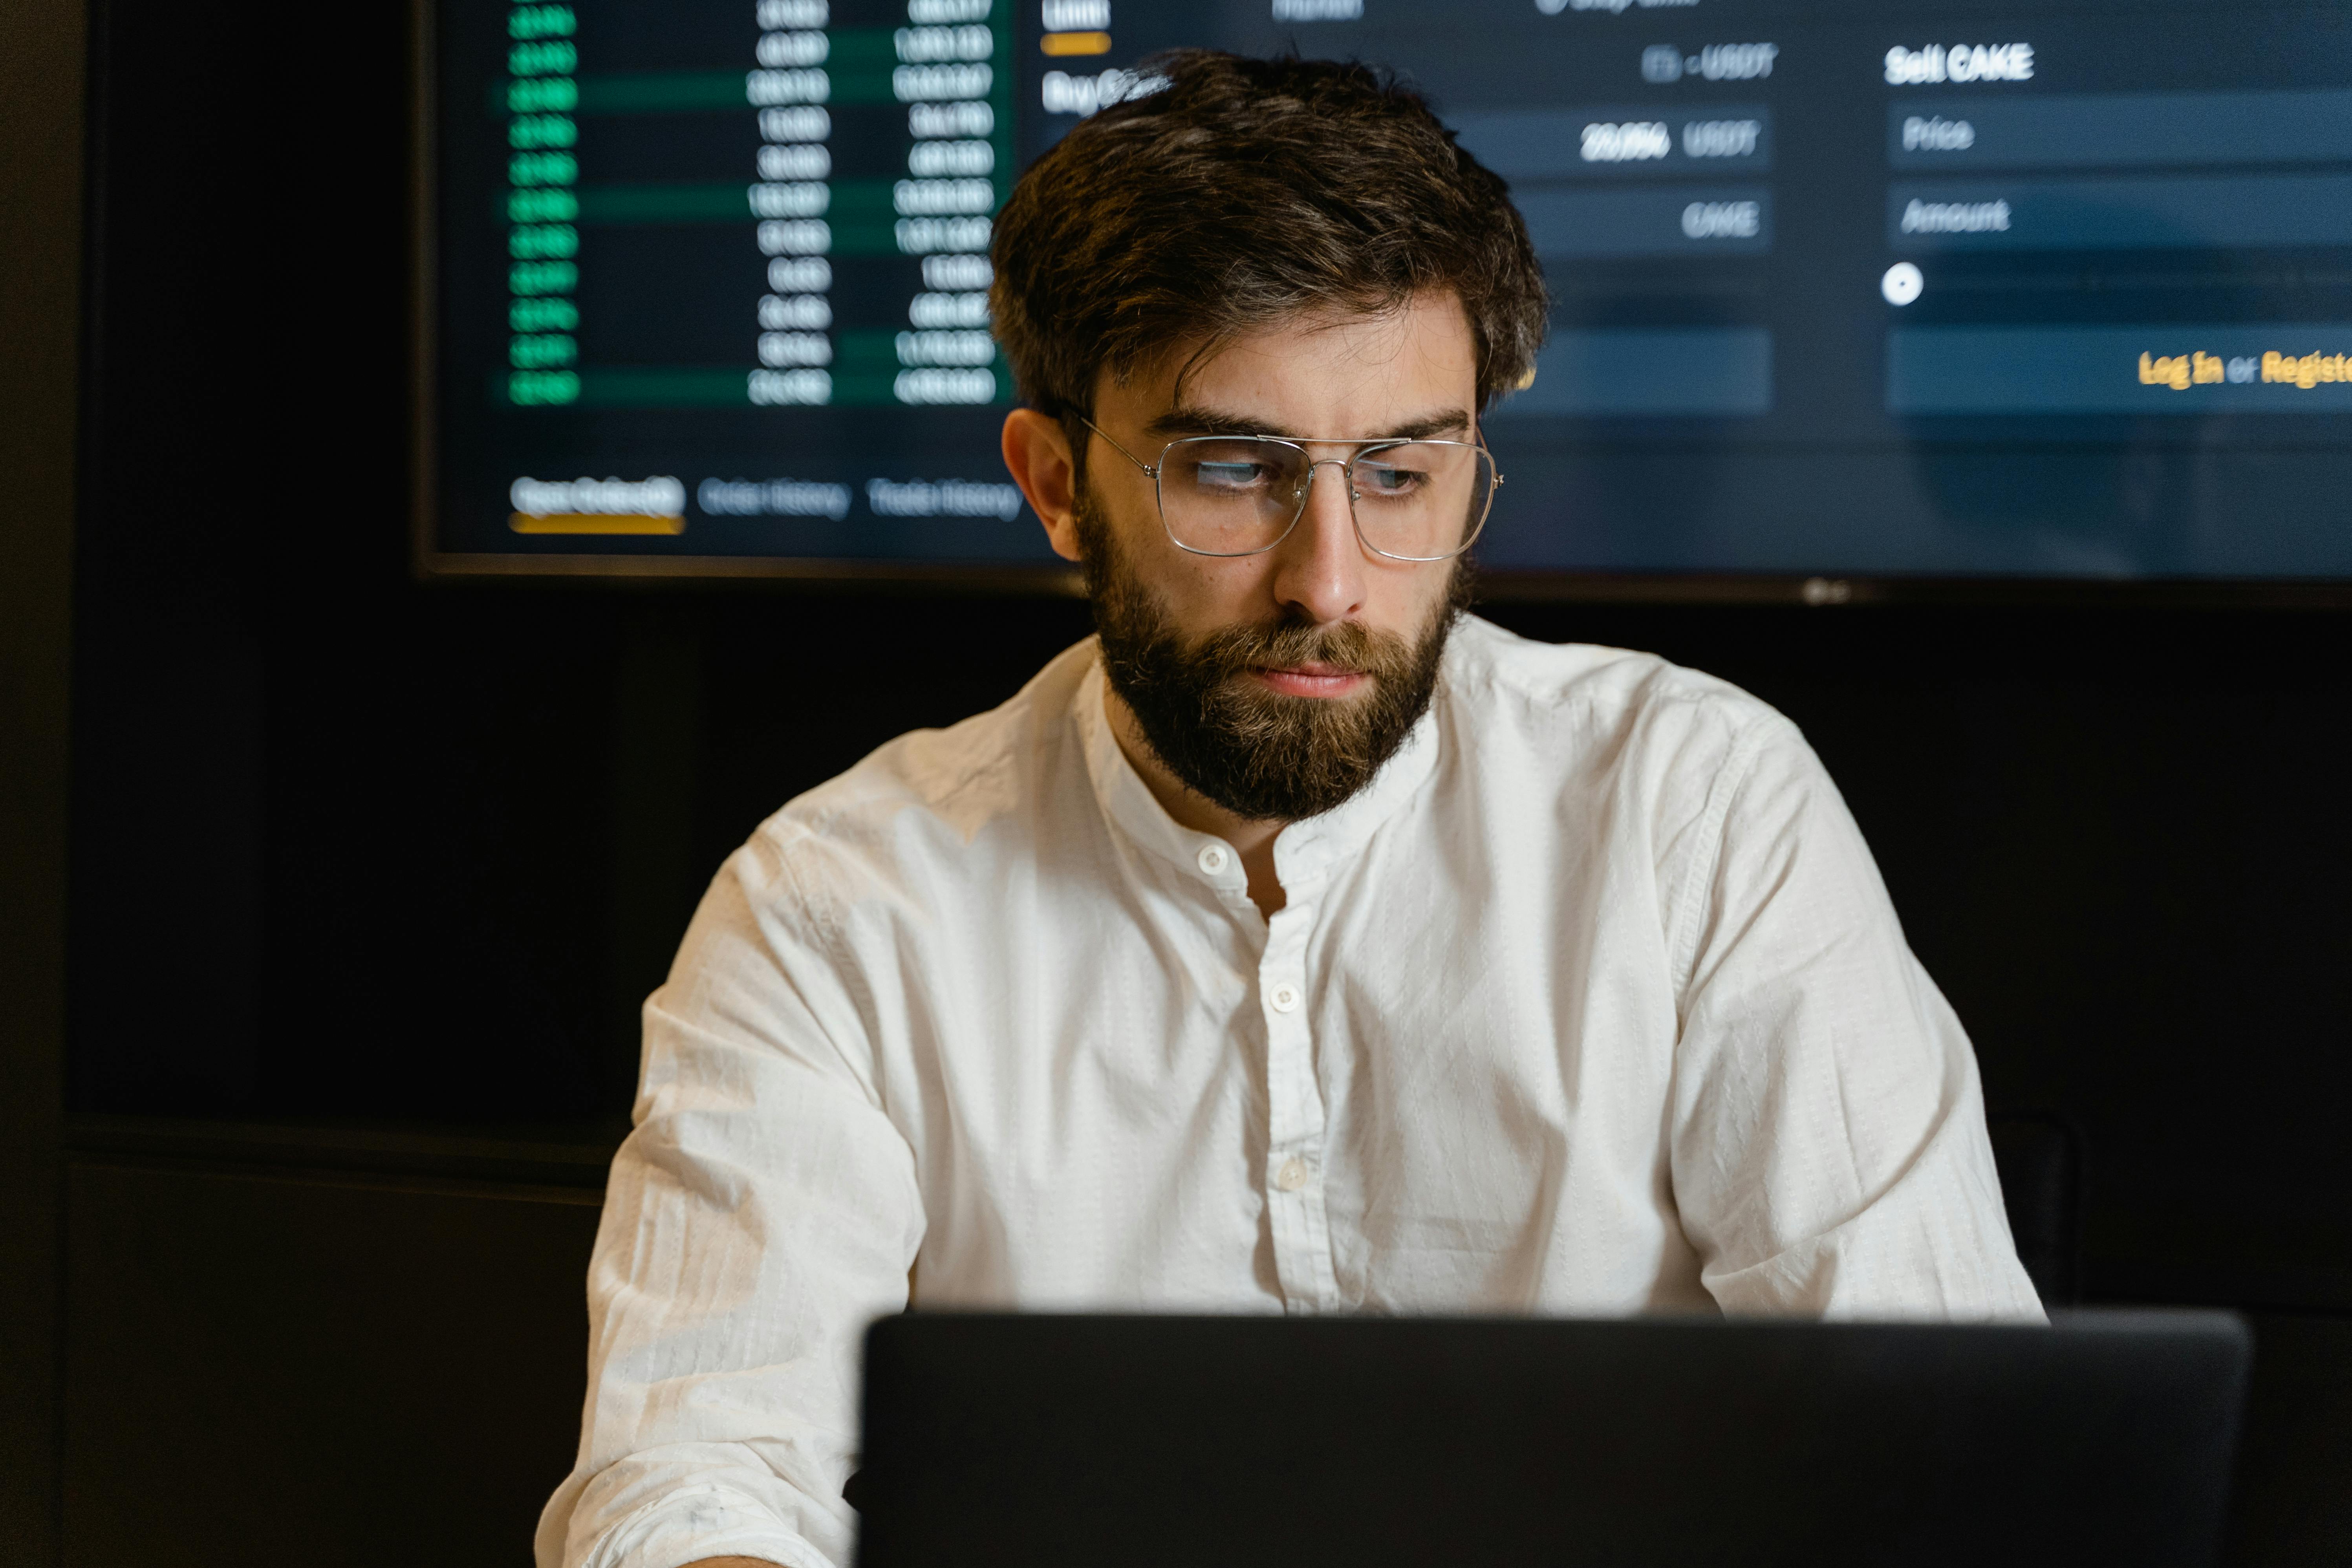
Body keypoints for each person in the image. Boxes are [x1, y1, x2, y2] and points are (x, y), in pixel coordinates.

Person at [537, 50, 2040, 1568]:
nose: (1329, 581)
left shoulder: (1698, 808)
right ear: (1058, 483)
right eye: (1234, 468)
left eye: (1399, 474)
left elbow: (1945, 1437)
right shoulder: (834, 907)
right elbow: (692, 1479)